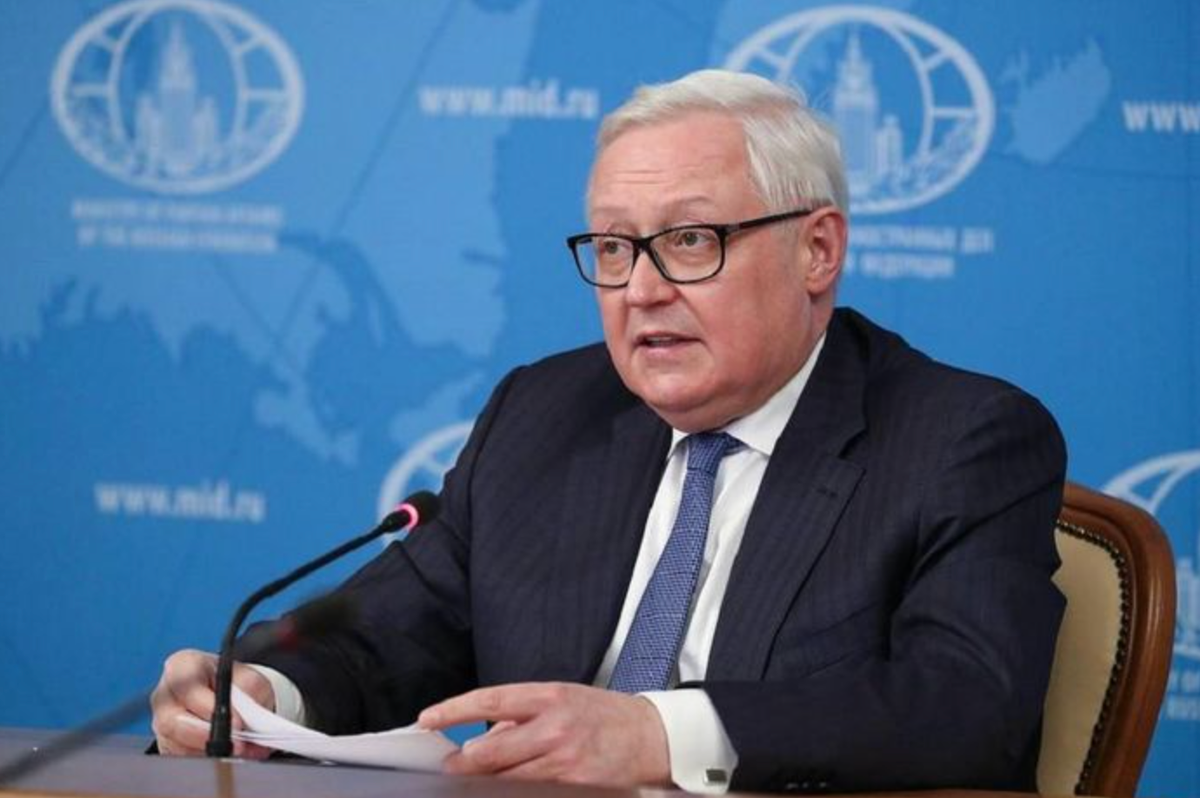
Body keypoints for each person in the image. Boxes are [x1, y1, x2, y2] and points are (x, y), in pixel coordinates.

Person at [151, 69, 1066, 794]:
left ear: (817, 250)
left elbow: (968, 705)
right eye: (617, 248)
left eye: (692, 240)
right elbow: (383, 634)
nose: (641, 291)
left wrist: (657, 734)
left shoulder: (959, 441)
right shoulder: (546, 414)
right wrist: (263, 693)